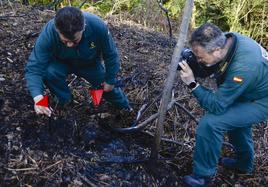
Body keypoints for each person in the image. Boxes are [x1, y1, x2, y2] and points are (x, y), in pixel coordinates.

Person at [178, 23, 268, 186]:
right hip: (248, 88)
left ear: (217, 51)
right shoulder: (224, 39)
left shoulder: (244, 66)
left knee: (211, 123)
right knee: (237, 126)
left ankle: (203, 176)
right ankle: (244, 165)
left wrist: (192, 83)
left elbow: (217, 106)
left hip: (262, 100)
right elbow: (213, 66)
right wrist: (194, 61)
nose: (198, 60)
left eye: (200, 57)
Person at [25, 7, 131, 117]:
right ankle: (65, 102)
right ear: (57, 30)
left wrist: (110, 80)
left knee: (107, 87)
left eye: (74, 41)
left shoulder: (97, 26)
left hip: (89, 64)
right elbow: (34, 67)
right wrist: (38, 97)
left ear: (83, 28)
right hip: (60, 63)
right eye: (65, 41)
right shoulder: (49, 32)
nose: (70, 45)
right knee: (49, 73)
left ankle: (126, 109)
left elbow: (111, 55)